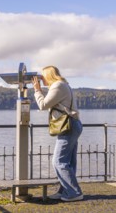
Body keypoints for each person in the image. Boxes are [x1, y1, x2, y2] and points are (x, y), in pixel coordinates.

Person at [32, 66, 83, 202]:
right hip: (72, 124)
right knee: (69, 162)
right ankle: (65, 191)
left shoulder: (58, 86)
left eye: (42, 77)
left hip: (68, 125)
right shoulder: (62, 85)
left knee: (58, 161)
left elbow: (43, 105)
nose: (41, 80)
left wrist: (37, 90)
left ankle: (74, 193)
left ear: (48, 75)